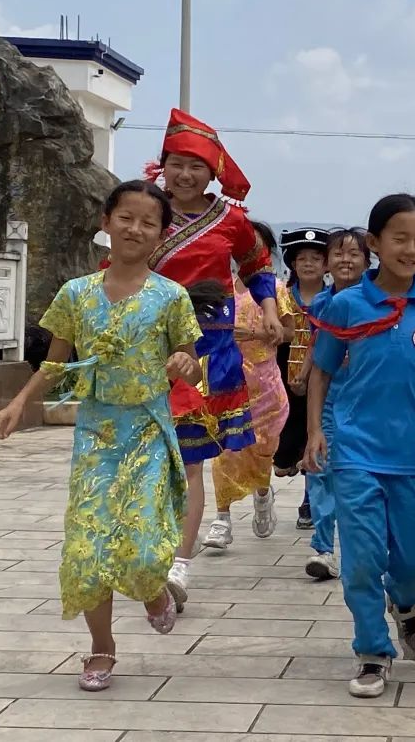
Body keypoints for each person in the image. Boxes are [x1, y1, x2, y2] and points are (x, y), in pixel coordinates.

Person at [0, 180, 203, 692]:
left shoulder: (171, 297)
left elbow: (194, 368)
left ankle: (155, 591)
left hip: (150, 432)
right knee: (89, 546)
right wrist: (20, 402)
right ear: (106, 222)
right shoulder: (76, 294)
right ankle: (101, 649)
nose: (135, 228)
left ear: (161, 235)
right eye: (125, 217)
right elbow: (54, 362)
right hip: (96, 436)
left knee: (146, 545)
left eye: (148, 222)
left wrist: (184, 365)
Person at [303, 196, 415, 699]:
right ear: (375, 244)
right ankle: (372, 650)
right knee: (364, 558)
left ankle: (407, 605)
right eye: (400, 238)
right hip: (356, 450)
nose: (411, 249)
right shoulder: (345, 304)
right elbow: (322, 369)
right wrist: (316, 431)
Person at [143, 108, 280, 611]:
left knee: (191, 463)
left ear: (213, 170)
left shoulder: (232, 220)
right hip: (147, 346)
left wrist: (267, 308)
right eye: (177, 163)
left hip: (208, 352)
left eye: (196, 166)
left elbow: (257, 264)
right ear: (163, 165)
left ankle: (179, 564)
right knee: (150, 462)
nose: (185, 174)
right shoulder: (145, 211)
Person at [204, 222, 295, 549]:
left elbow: (290, 333)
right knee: (225, 450)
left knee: (260, 450)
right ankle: (221, 519)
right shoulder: (220, 288)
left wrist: (260, 335)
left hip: (266, 385)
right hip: (228, 381)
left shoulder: (277, 290)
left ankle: (261, 495)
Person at [302, 227, 371, 581]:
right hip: (328, 398)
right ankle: (323, 548)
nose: (346, 260)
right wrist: (304, 373)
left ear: (368, 259)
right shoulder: (321, 303)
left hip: (366, 401)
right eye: (339, 254)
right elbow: (316, 347)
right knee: (321, 469)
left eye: (354, 254)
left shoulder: (375, 301)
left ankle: (364, 548)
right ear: (328, 262)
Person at [273, 227, 331, 530]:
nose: (309, 264)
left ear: (326, 265)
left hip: (321, 381)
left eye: (316, 259)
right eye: (302, 259)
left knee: (315, 437)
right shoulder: (280, 296)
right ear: (293, 263)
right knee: (282, 458)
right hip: (282, 380)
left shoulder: (335, 299)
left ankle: (309, 501)